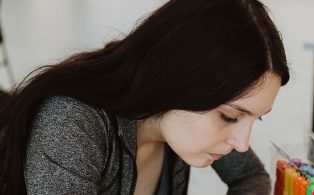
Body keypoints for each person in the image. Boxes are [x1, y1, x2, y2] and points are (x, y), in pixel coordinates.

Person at [0, 0, 290, 194]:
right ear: (177, 82)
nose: (241, 144)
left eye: (254, 119)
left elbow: (251, 177)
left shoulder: (177, 125)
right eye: (230, 116)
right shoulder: (70, 124)